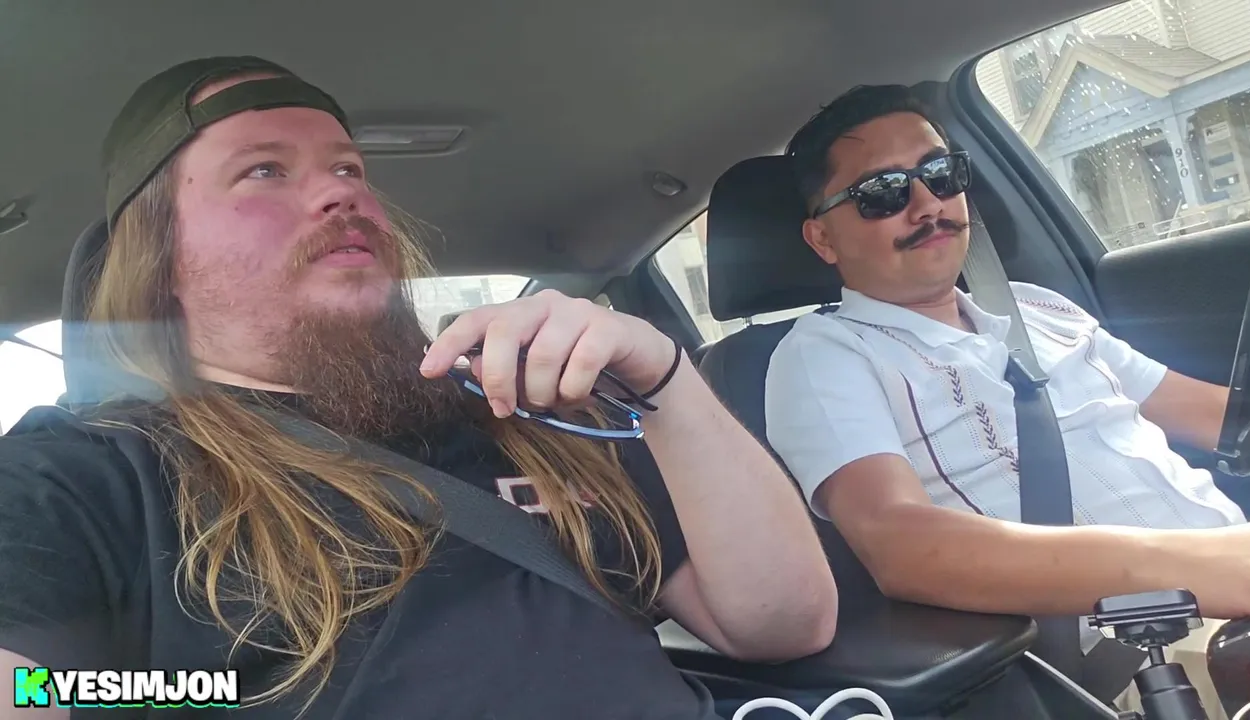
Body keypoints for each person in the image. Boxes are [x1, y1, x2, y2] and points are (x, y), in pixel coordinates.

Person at [0, 56, 839, 720]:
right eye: (263, 171)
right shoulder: (84, 472)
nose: (341, 190)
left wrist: (665, 380)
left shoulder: (525, 409)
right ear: (161, 255)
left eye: (349, 167)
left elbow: (784, 625)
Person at [763, 84, 1250, 718]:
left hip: (1249, 582)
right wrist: (1212, 568)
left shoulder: (1040, 308)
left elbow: (1231, 423)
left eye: (941, 174)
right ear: (822, 238)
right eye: (882, 192)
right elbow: (901, 545)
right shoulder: (825, 354)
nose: (927, 204)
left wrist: (1244, 560)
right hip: (1143, 653)